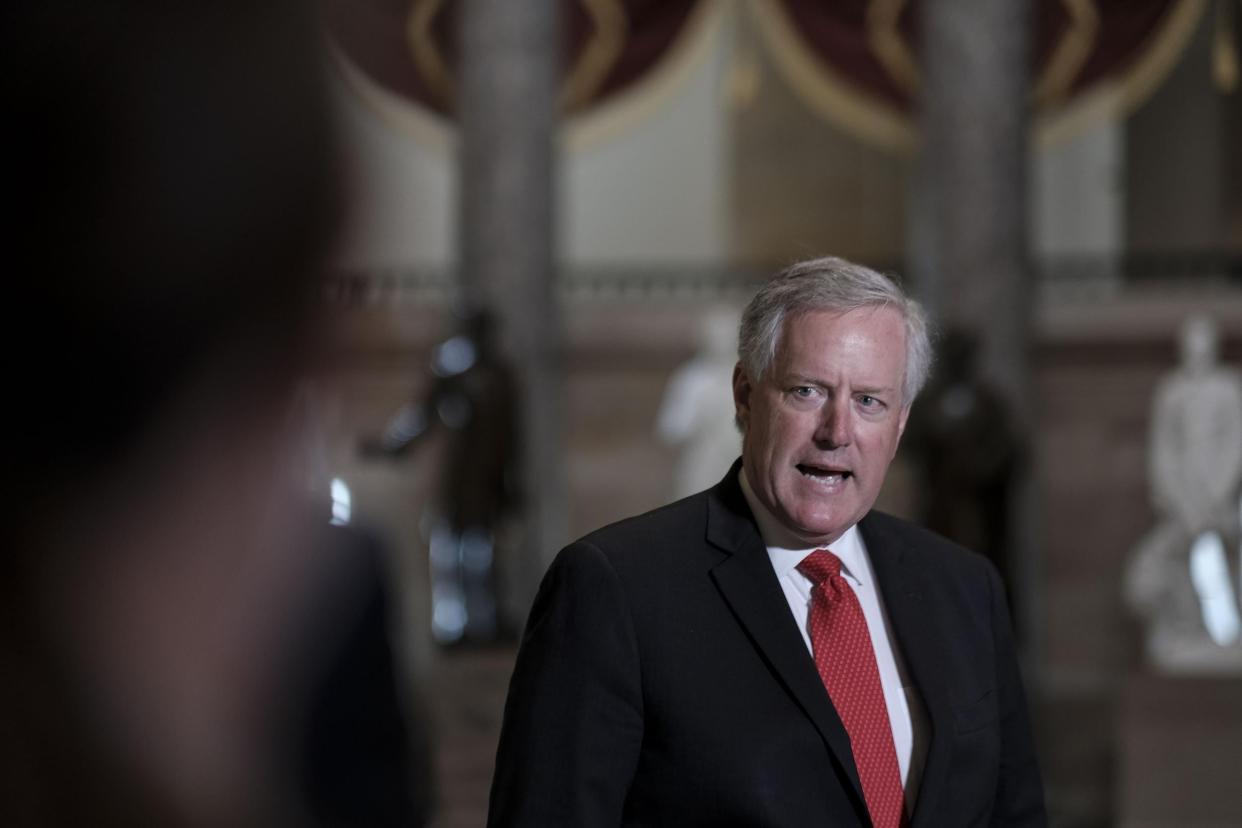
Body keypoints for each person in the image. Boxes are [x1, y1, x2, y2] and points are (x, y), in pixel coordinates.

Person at [488, 257, 1046, 827]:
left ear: (900, 424)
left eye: (869, 402)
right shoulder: (615, 590)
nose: (837, 432)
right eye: (807, 391)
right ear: (745, 395)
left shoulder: (963, 586)